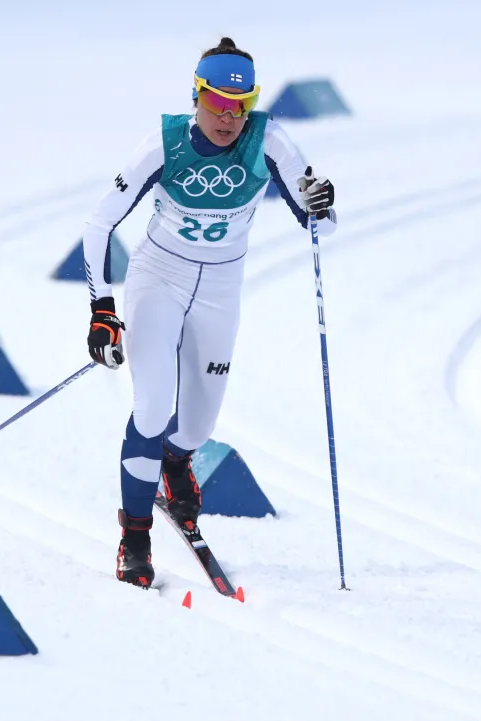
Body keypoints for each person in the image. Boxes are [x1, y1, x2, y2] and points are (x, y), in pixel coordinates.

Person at [80, 36, 338, 588]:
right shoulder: (164, 144)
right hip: (159, 281)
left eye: (239, 107)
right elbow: (99, 224)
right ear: (197, 96)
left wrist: (320, 202)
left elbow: (321, 221)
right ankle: (135, 537)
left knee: (197, 427)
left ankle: (175, 466)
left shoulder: (270, 140)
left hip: (221, 290)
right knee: (152, 411)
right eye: (218, 104)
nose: (228, 118)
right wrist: (102, 309)